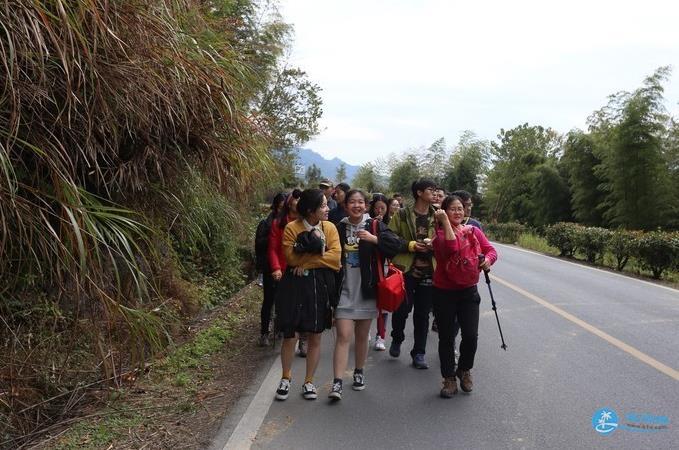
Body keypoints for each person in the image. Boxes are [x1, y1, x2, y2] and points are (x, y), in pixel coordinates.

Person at [329, 190, 400, 399]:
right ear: (345, 205)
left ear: (366, 205)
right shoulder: (339, 227)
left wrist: (374, 239)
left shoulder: (375, 226)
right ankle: (337, 382)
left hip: (367, 290)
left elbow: (396, 245)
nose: (357, 206)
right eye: (352, 202)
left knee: (361, 337)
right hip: (343, 290)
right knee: (343, 336)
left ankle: (359, 372)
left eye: (360, 202)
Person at [274, 189, 341, 401]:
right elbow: (291, 259)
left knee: (316, 334)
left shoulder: (329, 228)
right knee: (290, 334)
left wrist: (308, 263)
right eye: (323, 205)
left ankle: (309, 381)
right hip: (293, 286)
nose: (328, 208)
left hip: (319, 286)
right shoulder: (291, 228)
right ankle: (286, 377)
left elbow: (336, 258)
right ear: (311, 210)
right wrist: (312, 259)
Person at [431, 195, 497, 398]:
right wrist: (443, 222)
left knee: (470, 336)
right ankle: (449, 378)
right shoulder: (439, 235)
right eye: (453, 209)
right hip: (444, 292)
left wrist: (487, 260)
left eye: (460, 208)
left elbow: (492, 250)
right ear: (444, 212)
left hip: (468, 291)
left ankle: (464, 369)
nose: (458, 212)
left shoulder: (474, 231)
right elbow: (451, 248)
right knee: (447, 337)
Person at [387, 179, 437, 369]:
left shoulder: (438, 217)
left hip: (429, 272)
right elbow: (389, 238)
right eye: (430, 190)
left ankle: (419, 353)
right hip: (406, 270)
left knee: (423, 314)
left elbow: (446, 239)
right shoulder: (401, 214)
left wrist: (435, 244)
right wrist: (410, 245)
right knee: (402, 309)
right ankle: (397, 337)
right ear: (419, 192)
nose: (434, 193)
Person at [255, 192, 286, 346]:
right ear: (275, 206)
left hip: (284, 266)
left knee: (281, 299)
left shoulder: (288, 222)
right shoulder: (266, 223)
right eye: (279, 206)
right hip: (269, 267)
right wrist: (273, 236)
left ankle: (279, 328)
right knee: (268, 300)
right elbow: (259, 245)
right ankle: (264, 333)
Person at [368, 194, 391, 351]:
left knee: (384, 303)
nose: (380, 211)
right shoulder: (367, 223)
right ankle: (367, 330)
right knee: (369, 301)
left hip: (386, 267)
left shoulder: (391, 224)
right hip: (371, 267)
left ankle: (380, 336)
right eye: (377, 208)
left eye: (383, 208)